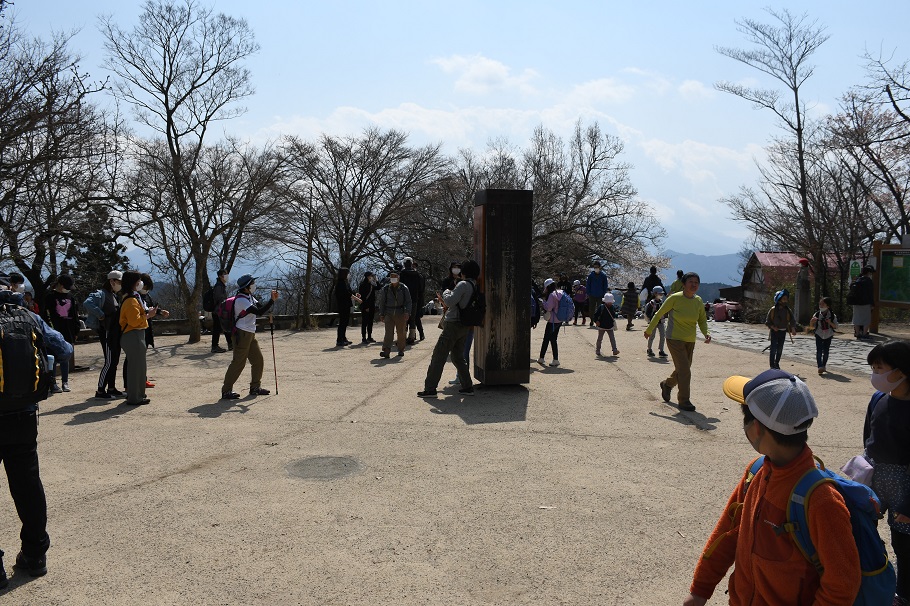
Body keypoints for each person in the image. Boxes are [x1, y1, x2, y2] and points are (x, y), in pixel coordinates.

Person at [683, 369, 860, 606]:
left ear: (756, 428)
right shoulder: (756, 472)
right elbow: (727, 533)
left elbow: (842, 586)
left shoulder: (822, 501)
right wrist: (700, 590)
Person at [0, 288, 73, 585]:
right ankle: (34, 554)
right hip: (23, 414)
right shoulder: (29, 317)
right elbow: (66, 349)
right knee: (28, 485)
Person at [863, 341, 910, 606]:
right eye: (872, 368)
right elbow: (868, 436)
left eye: (880, 368)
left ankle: (904, 594)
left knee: (903, 544)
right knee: (865, 530)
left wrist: (908, 504)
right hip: (876, 478)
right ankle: (874, 580)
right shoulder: (878, 398)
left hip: (905, 484)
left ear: (902, 371)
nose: (875, 374)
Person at [644, 272, 710, 412]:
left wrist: (706, 333)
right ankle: (684, 400)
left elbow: (702, 320)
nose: (693, 285)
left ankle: (667, 385)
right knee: (685, 370)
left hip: (690, 340)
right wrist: (649, 330)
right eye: (690, 282)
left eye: (696, 282)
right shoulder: (674, 298)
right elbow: (659, 313)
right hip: (674, 338)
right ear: (683, 284)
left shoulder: (698, 301)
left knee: (682, 369)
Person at [417, 260, 481, 398]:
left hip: (453, 324)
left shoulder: (463, 284)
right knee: (458, 357)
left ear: (464, 272)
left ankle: (430, 389)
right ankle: (467, 386)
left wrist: (446, 292)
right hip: (464, 324)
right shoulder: (474, 285)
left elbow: (450, 301)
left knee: (438, 355)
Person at [221, 275, 278, 399]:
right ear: (246, 287)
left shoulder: (249, 297)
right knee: (238, 363)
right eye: (252, 283)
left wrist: (271, 301)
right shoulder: (241, 300)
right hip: (242, 334)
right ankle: (226, 390)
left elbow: (261, 307)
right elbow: (259, 312)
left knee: (258, 360)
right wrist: (272, 301)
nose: (254, 285)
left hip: (250, 333)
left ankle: (255, 387)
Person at [83, 271, 126, 399]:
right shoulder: (100, 294)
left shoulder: (112, 295)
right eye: (119, 282)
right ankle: (100, 390)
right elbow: (87, 303)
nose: (120, 285)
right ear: (112, 281)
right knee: (109, 361)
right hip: (106, 331)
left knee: (115, 360)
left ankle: (111, 388)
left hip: (114, 332)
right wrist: (100, 314)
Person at [119, 271, 156, 406]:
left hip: (136, 335)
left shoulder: (134, 298)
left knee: (140, 367)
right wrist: (148, 315)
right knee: (135, 368)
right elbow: (134, 321)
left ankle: (139, 394)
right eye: (139, 281)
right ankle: (134, 397)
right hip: (132, 334)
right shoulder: (130, 300)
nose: (141, 283)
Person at [43, 275, 78, 393]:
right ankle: (52, 382)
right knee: (52, 357)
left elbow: (74, 315)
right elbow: (46, 315)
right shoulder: (49, 297)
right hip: (54, 332)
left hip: (68, 331)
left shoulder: (70, 297)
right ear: (61, 285)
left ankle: (65, 382)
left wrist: (76, 331)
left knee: (66, 356)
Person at [377, 270, 411, 358]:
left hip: (400, 312)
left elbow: (408, 301)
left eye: (395, 277)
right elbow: (382, 302)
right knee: (388, 332)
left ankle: (401, 349)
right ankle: (386, 350)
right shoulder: (386, 288)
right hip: (389, 312)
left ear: (398, 278)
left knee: (401, 332)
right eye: (391, 277)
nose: (393, 279)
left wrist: (407, 312)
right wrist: (381, 314)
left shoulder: (404, 288)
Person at [537, 278, 567, 367]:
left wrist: (543, 302)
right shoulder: (560, 293)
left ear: (548, 287)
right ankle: (555, 359)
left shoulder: (551, 295)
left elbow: (549, 308)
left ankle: (541, 358)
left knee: (546, 339)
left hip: (552, 320)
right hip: (560, 319)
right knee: (553, 339)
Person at [765, 289, 796, 370]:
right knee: (773, 349)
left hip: (783, 332)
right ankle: (772, 366)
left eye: (786, 298)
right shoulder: (772, 310)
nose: (785, 300)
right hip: (774, 332)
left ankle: (777, 363)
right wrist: (773, 327)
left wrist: (793, 328)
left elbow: (792, 320)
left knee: (779, 349)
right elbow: (767, 322)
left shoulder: (788, 310)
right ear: (779, 299)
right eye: (784, 298)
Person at [139, 273, 170, 350]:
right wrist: (148, 313)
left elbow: (152, 308)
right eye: (145, 287)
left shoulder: (147, 296)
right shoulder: (135, 297)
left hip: (147, 328)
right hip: (139, 330)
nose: (146, 290)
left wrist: (161, 312)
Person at [809, 296, 838, 375]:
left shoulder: (832, 315)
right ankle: (820, 366)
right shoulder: (817, 314)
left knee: (826, 351)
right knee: (819, 351)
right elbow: (811, 326)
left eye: (823, 304)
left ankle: (824, 365)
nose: (821, 306)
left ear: (828, 306)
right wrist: (812, 321)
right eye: (820, 304)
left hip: (828, 334)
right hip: (819, 334)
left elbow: (836, 326)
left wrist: (830, 322)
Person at [399, 258, 424, 344]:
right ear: (411, 264)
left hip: (403, 299)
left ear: (404, 264)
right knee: (412, 318)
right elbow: (421, 288)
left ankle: (403, 337)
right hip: (414, 299)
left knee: (403, 319)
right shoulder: (417, 274)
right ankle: (412, 337)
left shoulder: (401, 274)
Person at [334, 267, 359, 347]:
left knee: (345, 322)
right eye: (348, 273)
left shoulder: (345, 282)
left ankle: (343, 338)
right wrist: (357, 298)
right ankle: (339, 340)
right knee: (342, 322)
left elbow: (350, 291)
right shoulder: (340, 283)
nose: (349, 275)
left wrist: (356, 294)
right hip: (342, 305)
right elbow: (347, 293)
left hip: (347, 304)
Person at [851, 265, 876, 339]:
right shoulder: (868, 281)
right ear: (868, 273)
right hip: (866, 302)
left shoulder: (858, 280)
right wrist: (872, 303)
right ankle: (865, 333)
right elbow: (870, 293)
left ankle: (857, 333)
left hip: (856, 302)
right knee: (866, 319)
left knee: (856, 318)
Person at [211, 268, 232, 353]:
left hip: (220, 310)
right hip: (219, 311)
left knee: (225, 327)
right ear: (220, 276)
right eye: (225, 274)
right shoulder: (219, 286)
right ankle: (215, 346)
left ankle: (230, 344)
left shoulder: (220, 285)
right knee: (218, 328)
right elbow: (219, 298)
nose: (226, 276)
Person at [593, 292, 619, 356]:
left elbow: (613, 315)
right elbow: (595, 315)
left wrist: (617, 314)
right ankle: (598, 350)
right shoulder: (601, 307)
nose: (610, 304)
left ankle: (614, 350)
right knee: (600, 339)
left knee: (611, 338)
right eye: (609, 302)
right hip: (603, 326)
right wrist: (596, 321)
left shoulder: (611, 307)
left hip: (609, 326)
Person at [645, 285, 667, 357]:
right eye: (660, 294)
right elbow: (648, 313)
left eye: (661, 294)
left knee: (663, 336)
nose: (661, 295)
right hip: (654, 322)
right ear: (655, 294)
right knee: (652, 336)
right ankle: (649, 349)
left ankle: (661, 350)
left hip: (661, 321)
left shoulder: (661, 302)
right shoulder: (651, 303)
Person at [586, 261, 609, 327]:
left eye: (597, 267)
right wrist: (588, 293)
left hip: (600, 295)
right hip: (592, 295)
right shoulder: (590, 276)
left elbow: (605, 285)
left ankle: (599, 320)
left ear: (600, 267)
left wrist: (603, 293)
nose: (596, 268)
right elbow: (588, 285)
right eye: (595, 267)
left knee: (600, 308)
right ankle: (592, 320)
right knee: (591, 308)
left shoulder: (603, 276)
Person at [357, 271, 378, 343]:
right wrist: (366, 307)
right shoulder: (363, 285)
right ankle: (363, 337)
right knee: (365, 322)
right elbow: (362, 297)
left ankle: (369, 336)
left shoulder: (371, 285)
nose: (372, 277)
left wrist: (376, 280)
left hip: (372, 305)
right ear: (368, 276)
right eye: (371, 276)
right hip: (366, 305)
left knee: (370, 322)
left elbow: (379, 287)